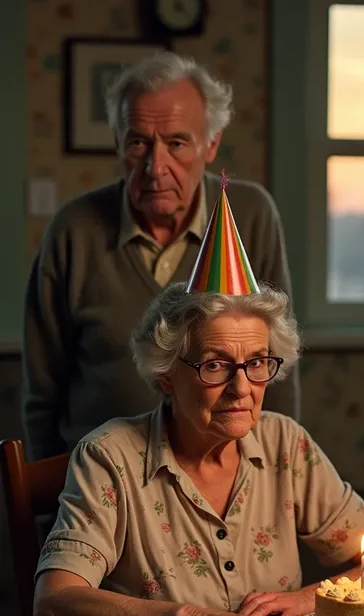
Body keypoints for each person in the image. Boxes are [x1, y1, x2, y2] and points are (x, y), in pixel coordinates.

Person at [34, 191, 364, 616]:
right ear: (165, 376)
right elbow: (53, 604)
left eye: (257, 362)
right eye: (216, 365)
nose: (242, 389)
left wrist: (307, 598)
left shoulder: (286, 445)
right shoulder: (109, 457)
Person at [22, 50, 299, 461]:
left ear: (211, 143)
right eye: (138, 142)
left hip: (224, 480)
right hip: (98, 482)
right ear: (118, 143)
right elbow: (42, 395)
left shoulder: (251, 214)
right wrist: (46, 508)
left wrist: (278, 483)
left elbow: (275, 368)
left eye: (176, 143)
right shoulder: (73, 230)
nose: (155, 166)